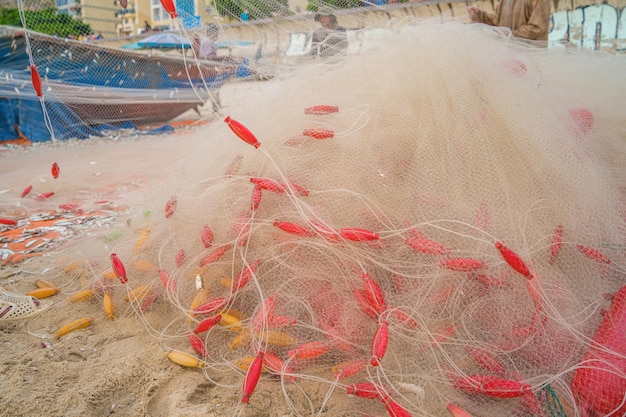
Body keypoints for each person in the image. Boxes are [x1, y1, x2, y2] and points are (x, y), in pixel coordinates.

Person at [467, 0, 550, 42]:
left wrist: (508, 34)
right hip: (509, 55)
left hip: (531, 58)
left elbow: (536, 29)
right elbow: (496, 20)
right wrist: (480, 15)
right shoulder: (505, 1)